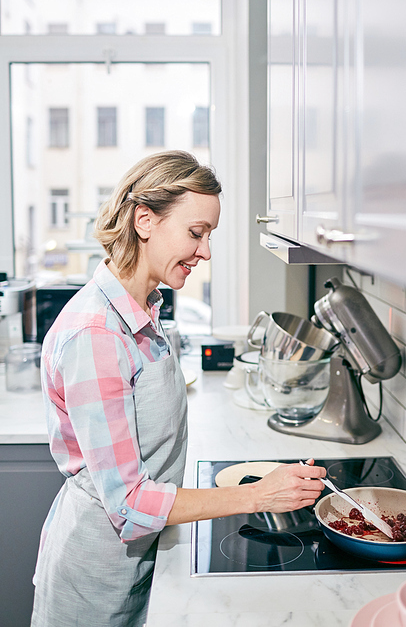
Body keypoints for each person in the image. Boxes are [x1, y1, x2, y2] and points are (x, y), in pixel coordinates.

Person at [31, 150, 326, 627]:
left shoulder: (143, 305)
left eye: (208, 235)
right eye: (196, 233)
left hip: (139, 557)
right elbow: (128, 505)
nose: (205, 252)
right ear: (144, 220)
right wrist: (259, 496)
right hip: (96, 576)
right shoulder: (97, 336)